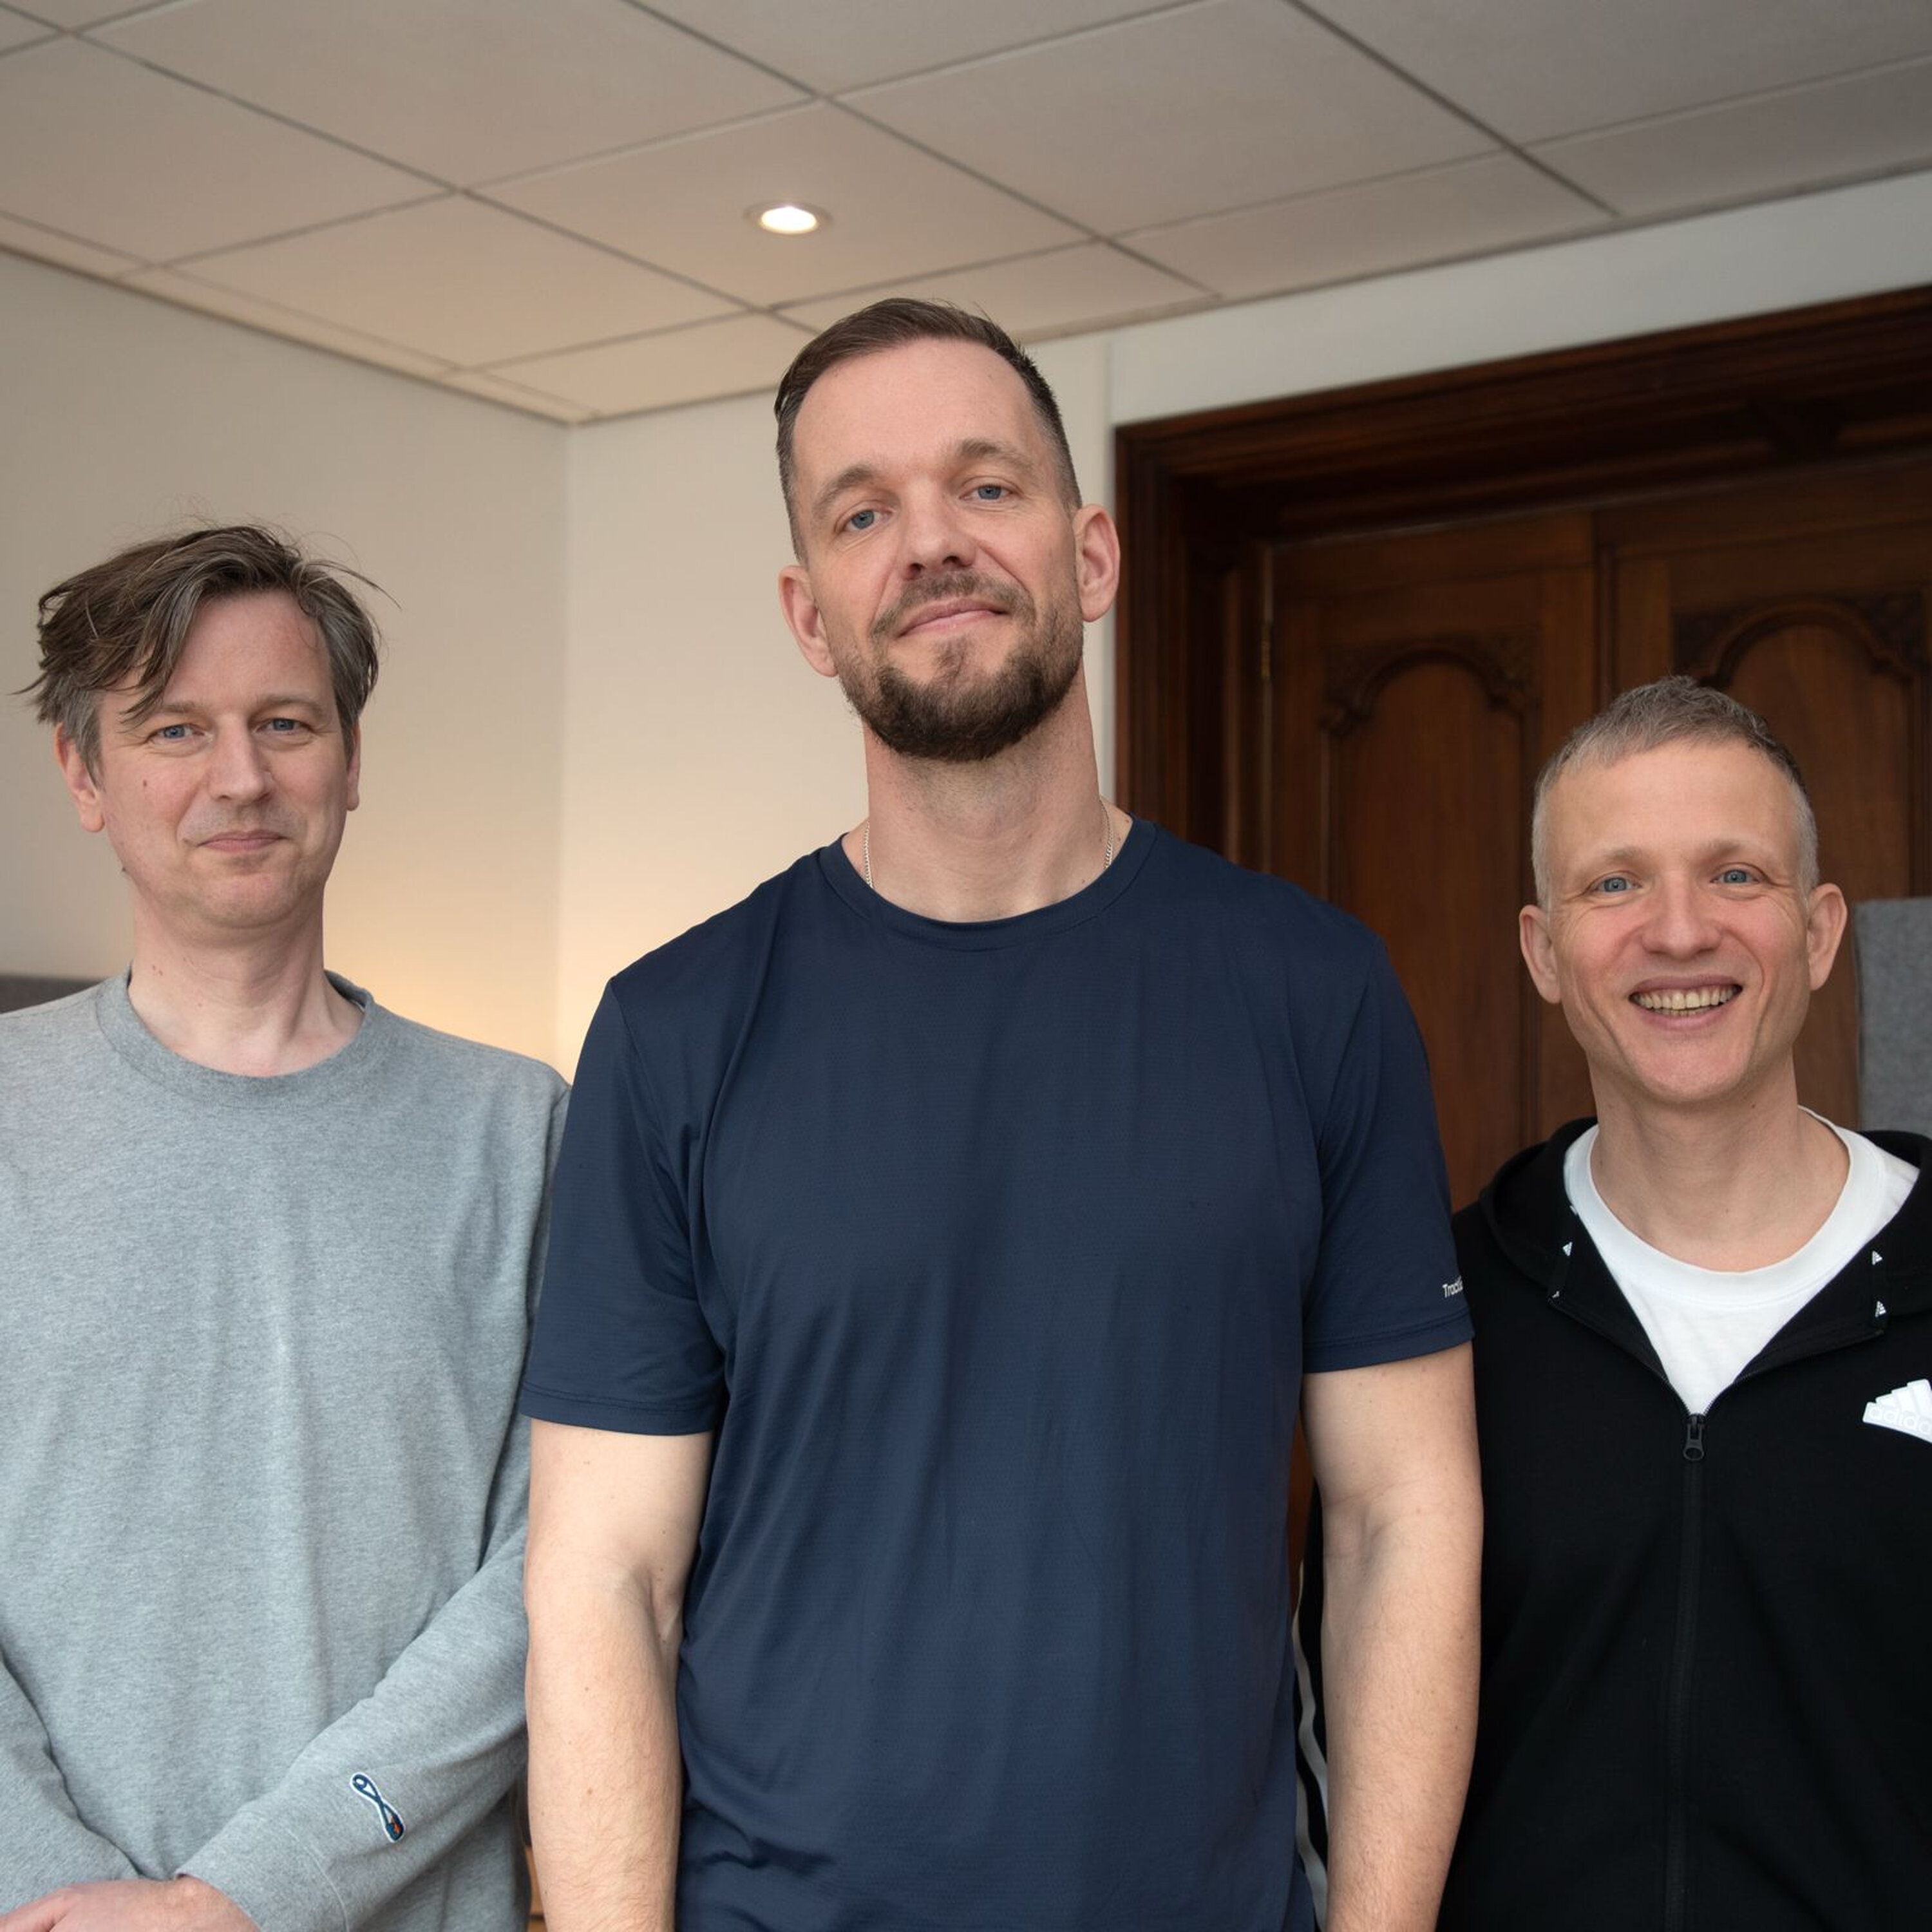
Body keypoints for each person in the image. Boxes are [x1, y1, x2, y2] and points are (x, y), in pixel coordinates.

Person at [518, 299, 1481, 1932]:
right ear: (809, 614)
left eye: (987, 486)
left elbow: (1405, 1517)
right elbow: (607, 1580)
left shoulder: (1313, 994)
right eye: (863, 512)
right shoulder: (674, 1031)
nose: (931, 545)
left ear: (1092, 555)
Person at [0, 526, 565, 1932]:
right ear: (85, 774)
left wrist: (245, 1895)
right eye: (174, 729)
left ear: (353, 761)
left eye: (285, 724)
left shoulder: (518, 1134)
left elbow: (546, 1575)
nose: (238, 778)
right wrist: (73, 1895)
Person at [1303, 676, 1932, 1929]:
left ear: (1819, 933)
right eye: (1616, 882)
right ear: (1544, 952)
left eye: (1736, 875)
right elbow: (1343, 1748)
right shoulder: (1434, 1317)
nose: (1680, 930)